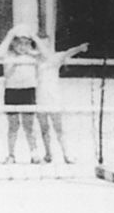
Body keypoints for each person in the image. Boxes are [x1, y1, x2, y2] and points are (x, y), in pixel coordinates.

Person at [35, 34, 89, 164]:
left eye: (46, 44)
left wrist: (80, 48)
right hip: (39, 97)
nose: (44, 47)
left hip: (53, 97)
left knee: (59, 128)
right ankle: (48, 154)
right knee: (44, 128)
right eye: (41, 44)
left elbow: (68, 52)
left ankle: (67, 154)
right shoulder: (35, 58)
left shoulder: (55, 57)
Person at [0, 25, 46, 164]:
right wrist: (10, 34)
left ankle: (34, 154)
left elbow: (47, 54)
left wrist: (34, 36)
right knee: (13, 125)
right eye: (18, 42)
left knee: (29, 126)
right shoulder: (8, 55)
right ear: (13, 42)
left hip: (28, 91)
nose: (22, 46)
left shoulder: (32, 56)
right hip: (12, 91)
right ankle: (11, 155)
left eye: (25, 43)